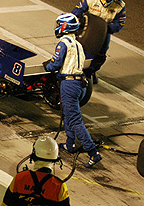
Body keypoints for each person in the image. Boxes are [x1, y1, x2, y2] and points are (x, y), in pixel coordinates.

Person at [43, 13, 102, 168]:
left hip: (69, 84)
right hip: (79, 83)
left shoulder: (63, 43)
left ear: (64, 27)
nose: (56, 27)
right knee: (67, 115)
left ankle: (93, 153)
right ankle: (70, 144)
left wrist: (47, 66)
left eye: (58, 24)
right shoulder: (78, 44)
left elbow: (55, 65)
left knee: (75, 120)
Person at [71, 0, 126, 84]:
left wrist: (105, 29)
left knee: (101, 55)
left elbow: (120, 23)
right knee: (75, 47)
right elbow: (76, 12)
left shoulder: (120, 6)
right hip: (86, 28)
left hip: (103, 33)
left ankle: (90, 71)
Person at [2, 136, 70, 206]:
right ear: (55, 158)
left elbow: (5, 204)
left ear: (34, 155)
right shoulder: (59, 187)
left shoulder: (19, 178)